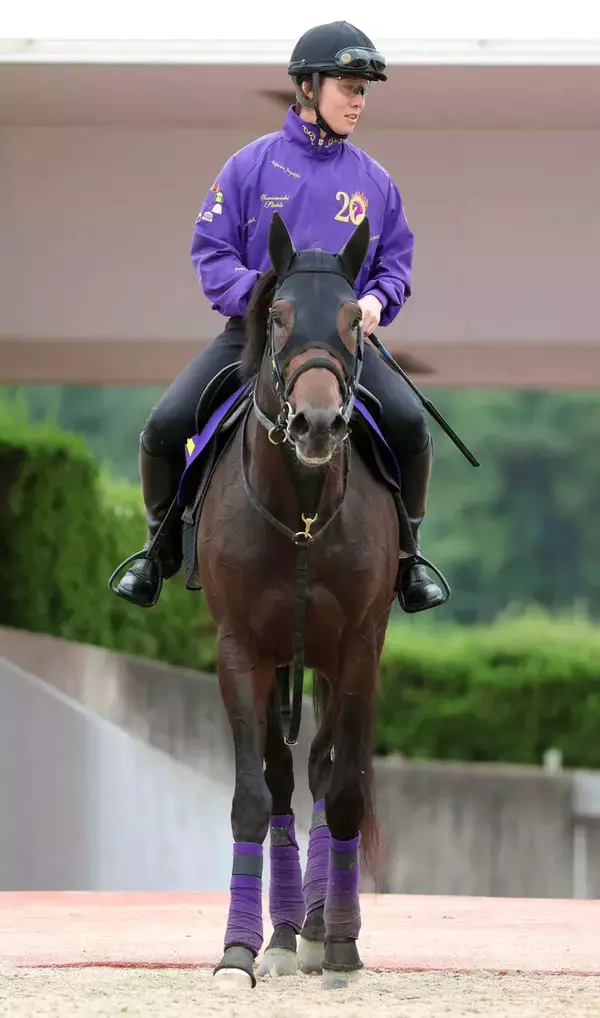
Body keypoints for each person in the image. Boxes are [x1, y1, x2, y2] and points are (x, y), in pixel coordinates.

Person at [115, 20, 445, 613]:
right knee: (163, 428)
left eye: (363, 91)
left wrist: (376, 301)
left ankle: (409, 560)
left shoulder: (376, 183)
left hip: (342, 348)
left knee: (412, 427)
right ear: (308, 87)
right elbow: (211, 252)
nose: (358, 101)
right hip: (254, 336)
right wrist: (263, 301)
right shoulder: (248, 166)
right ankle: (157, 552)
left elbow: (395, 265)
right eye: (348, 87)